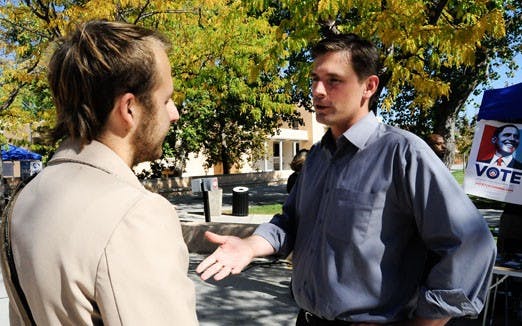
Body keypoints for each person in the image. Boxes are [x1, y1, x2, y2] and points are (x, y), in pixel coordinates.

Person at [196, 33, 496, 325]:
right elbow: (289, 224)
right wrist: (249, 247)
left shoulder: (404, 154)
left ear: (369, 86)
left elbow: (472, 243)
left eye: (333, 80)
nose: (318, 91)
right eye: (314, 79)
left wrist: (426, 322)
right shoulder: (316, 157)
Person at [0, 20, 198, 325]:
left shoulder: (20, 204)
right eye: (166, 99)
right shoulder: (134, 215)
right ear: (129, 108)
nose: (174, 113)